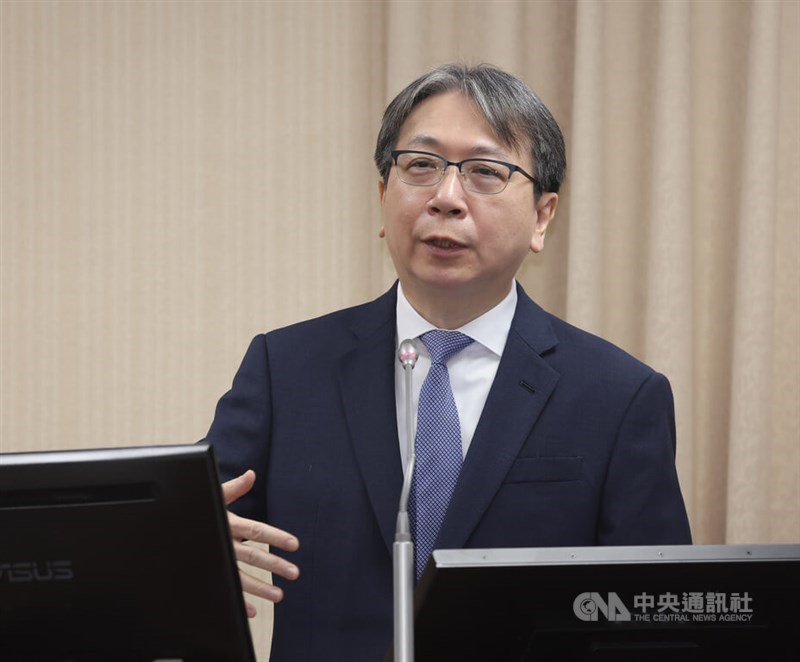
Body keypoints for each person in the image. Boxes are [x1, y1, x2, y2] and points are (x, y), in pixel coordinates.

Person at [204, 63, 691, 662]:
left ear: (542, 216)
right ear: (384, 197)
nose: (446, 198)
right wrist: (190, 550)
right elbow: (190, 547)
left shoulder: (619, 397)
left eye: (486, 172)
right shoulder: (286, 369)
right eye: (421, 166)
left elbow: (655, 617)